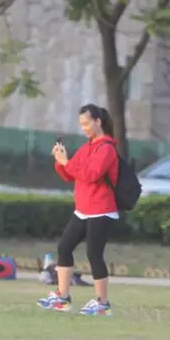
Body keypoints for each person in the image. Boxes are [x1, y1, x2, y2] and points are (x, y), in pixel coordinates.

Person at [38, 103, 119, 316]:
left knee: (94, 254)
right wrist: (60, 161)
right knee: (64, 247)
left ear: (98, 122)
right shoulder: (87, 147)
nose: (83, 128)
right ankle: (63, 298)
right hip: (83, 209)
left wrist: (67, 162)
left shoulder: (107, 148)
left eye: (86, 123)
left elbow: (91, 174)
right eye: (81, 124)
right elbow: (71, 174)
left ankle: (102, 304)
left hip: (101, 209)